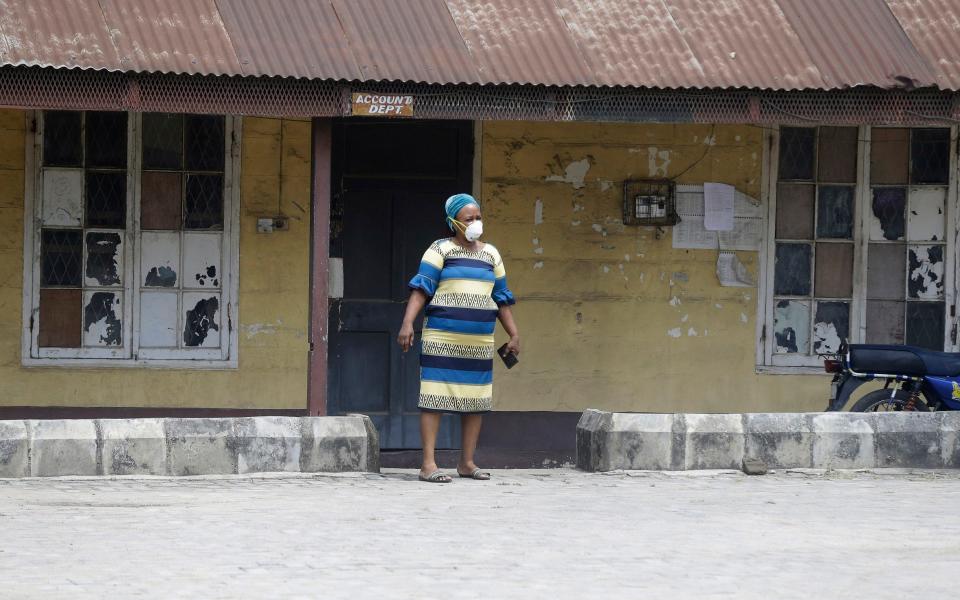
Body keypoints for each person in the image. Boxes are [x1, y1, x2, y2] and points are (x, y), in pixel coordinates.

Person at [398, 193, 520, 483]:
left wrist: (514, 333)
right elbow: (421, 288)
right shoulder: (439, 250)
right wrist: (407, 323)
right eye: (468, 219)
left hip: (478, 342)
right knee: (433, 397)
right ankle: (428, 464)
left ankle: (466, 462)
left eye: (478, 217)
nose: (475, 222)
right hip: (442, 337)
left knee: (475, 400)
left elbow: (501, 298)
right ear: (453, 222)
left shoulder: (492, 254)